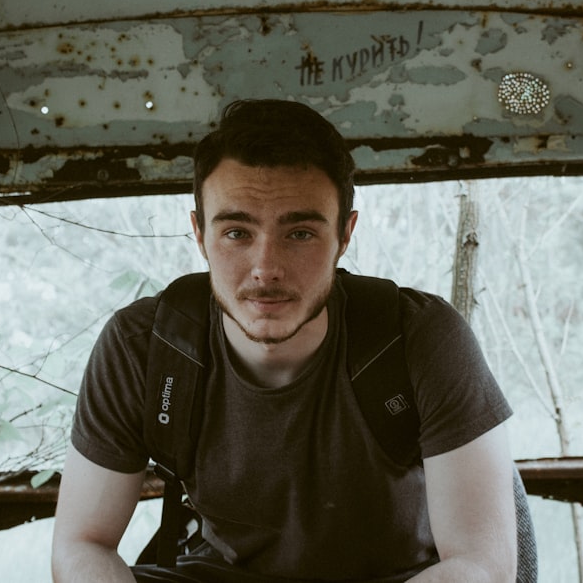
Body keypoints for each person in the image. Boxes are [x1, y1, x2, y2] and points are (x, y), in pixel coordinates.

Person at [51, 99, 517, 582]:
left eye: (299, 233)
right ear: (198, 233)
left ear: (344, 234)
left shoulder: (419, 336)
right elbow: (83, 543)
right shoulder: (147, 346)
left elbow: (481, 565)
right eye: (236, 232)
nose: (265, 268)